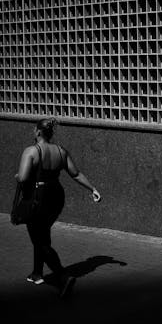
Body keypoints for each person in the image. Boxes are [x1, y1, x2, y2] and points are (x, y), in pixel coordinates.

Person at [15, 117, 101, 296]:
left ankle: (63, 277)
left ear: (38, 132)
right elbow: (75, 174)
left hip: (38, 197)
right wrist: (92, 189)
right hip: (56, 196)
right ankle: (37, 273)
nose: (33, 132)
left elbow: (23, 178)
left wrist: (18, 175)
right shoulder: (61, 151)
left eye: (34, 130)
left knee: (39, 239)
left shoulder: (31, 151)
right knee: (42, 231)